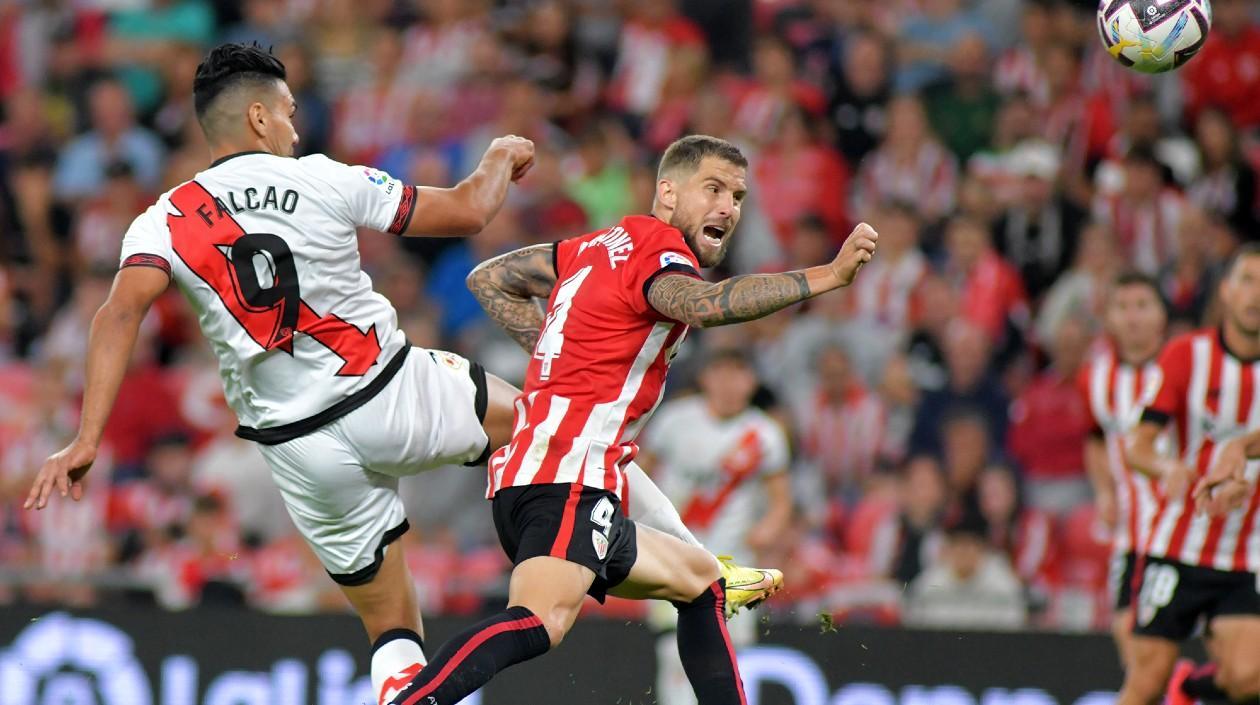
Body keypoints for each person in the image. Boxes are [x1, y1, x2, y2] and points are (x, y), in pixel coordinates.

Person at [23, 44, 757, 705]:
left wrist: (85, 435)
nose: (295, 127)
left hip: (298, 447)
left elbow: (118, 315)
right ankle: (690, 552)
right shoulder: (321, 179)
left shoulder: (160, 220)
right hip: (388, 391)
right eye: (285, 112)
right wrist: (500, 156)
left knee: (390, 621)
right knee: (551, 415)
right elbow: (469, 211)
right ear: (256, 116)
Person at [385, 135, 878, 705]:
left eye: (738, 196)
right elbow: (702, 305)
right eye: (713, 189)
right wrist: (828, 277)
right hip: (569, 480)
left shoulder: (597, 246)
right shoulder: (661, 252)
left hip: (543, 476)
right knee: (541, 621)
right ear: (667, 193)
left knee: (702, 584)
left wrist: (559, 352)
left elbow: (490, 279)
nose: (728, 207)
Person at [1119, 244, 1260, 705]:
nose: (1255, 295)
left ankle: (1191, 689)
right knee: (1145, 683)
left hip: (1246, 553)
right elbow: (1137, 444)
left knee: (1250, 680)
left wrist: (1240, 449)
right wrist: (1170, 468)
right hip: (1178, 543)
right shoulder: (1186, 355)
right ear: (1225, 290)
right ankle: (1174, 687)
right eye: (1246, 280)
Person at [637, 347, 793, 705]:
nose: (728, 383)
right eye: (720, 373)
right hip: (674, 554)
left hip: (733, 563)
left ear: (752, 381)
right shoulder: (674, 420)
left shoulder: (764, 434)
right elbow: (639, 470)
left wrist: (768, 529)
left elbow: (780, 500)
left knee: (732, 655)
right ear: (705, 378)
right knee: (673, 648)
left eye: (738, 373)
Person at [1079, 271, 1168, 671]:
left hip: (1185, 533)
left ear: (1161, 315)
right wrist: (1103, 492)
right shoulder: (1097, 378)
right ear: (1109, 317)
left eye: (1142, 306)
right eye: (1123, 307)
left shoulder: (1183, 368)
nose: (1132, 318)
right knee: (1130, 649)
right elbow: (1095, 438)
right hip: (1131, 534)